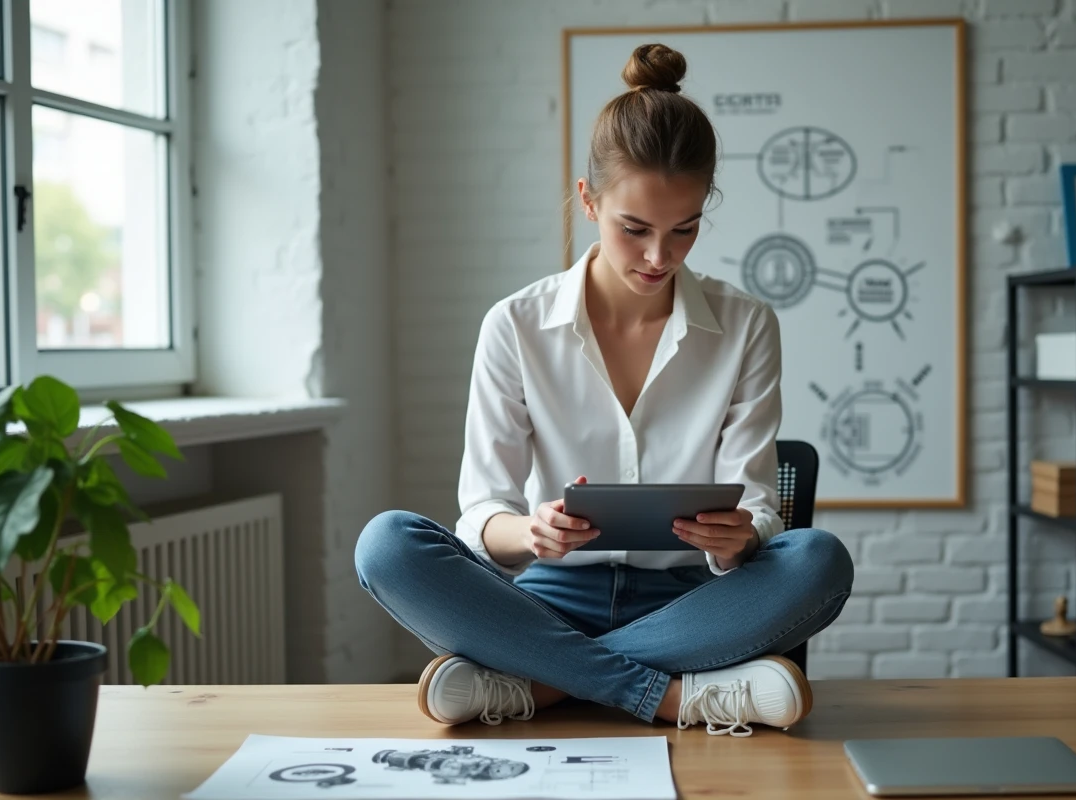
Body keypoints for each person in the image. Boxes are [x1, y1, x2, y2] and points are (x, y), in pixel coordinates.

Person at [355, 43, 853, 738]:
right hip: (546, 602)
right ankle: (674, 697)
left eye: (684, 230)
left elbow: (761, 510)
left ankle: (539, 685)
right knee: (385, 545)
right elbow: (483, 513)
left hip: (692, 606)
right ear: (588, 200)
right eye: (635, 229)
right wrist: (530, 531)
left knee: (819, 561)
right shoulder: (515, 325)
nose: (659, 256)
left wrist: (738, 538)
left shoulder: (746, 325)